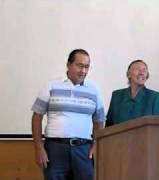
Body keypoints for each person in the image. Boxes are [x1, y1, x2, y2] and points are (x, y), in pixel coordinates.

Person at [31, 49, 105, 180]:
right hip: (55, 149)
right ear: (69, 65)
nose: (83, 71)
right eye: (79, 65)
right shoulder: (51, 85)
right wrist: (39, 148)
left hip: (84, 150)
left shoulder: (94, 90)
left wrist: (96, 145)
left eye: (86, 67)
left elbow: (99, 121)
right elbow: (37, 117)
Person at [106, 59, 159, 125]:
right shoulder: (116, 95)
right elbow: (109, 125)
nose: (141, 73)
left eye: (144, 70)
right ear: (128, 74)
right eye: (138, 69)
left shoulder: (154, 96)